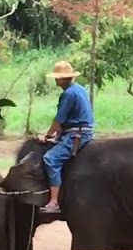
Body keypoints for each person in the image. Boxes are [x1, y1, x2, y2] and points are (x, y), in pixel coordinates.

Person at [40, 61, 95, 214]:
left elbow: (59, 120)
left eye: (57, 78)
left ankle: (54, 202)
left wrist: (47, 136)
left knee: (50, 159)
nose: (56, 81)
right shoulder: (80, 89)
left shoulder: (68, 94)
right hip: (83, 131)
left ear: (62, 79)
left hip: (76, 135)